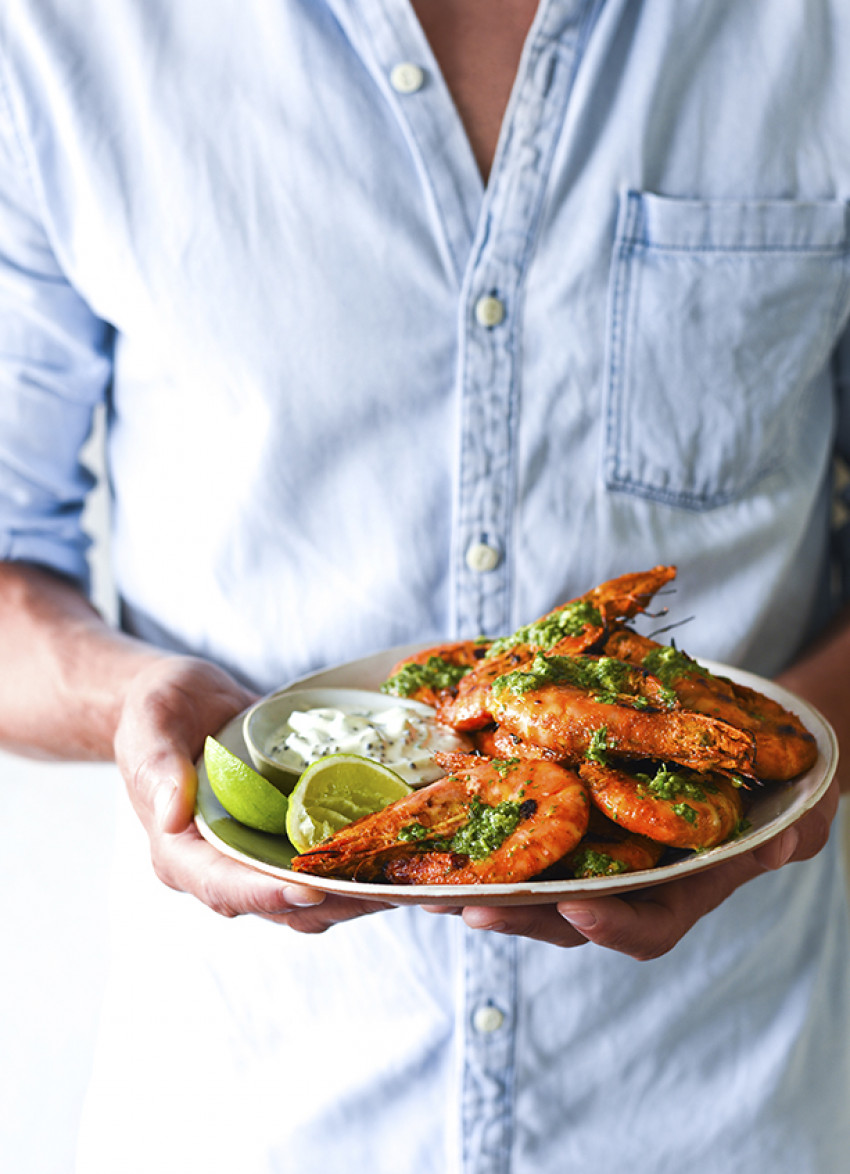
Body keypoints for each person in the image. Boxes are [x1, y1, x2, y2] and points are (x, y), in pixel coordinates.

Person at [1, 1, 848, 1170]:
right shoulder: (56, 33)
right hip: (252, 1110)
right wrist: (125, 700)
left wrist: (794, 770)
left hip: (715, 1105)